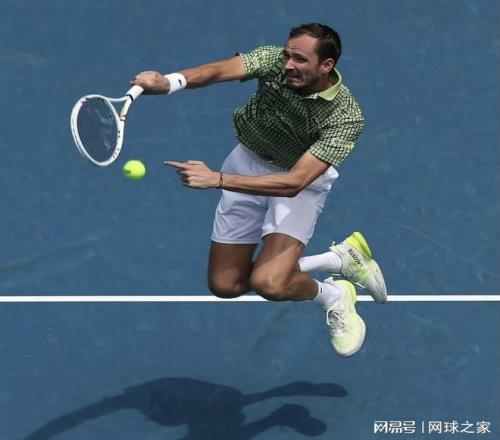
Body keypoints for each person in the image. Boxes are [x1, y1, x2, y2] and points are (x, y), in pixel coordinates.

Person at [132, 23, 387, 357]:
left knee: (270, 283)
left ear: (326, 65)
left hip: (297, 183)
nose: (288, 65)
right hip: (246, 162)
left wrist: (218, 179)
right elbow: (216, 71)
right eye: (287, 55)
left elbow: (294, 183)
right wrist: (169, 83)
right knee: (226, 285)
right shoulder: (273, 60)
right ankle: (339, 259)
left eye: (300, 59)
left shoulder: (345, 117)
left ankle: (334, 296)